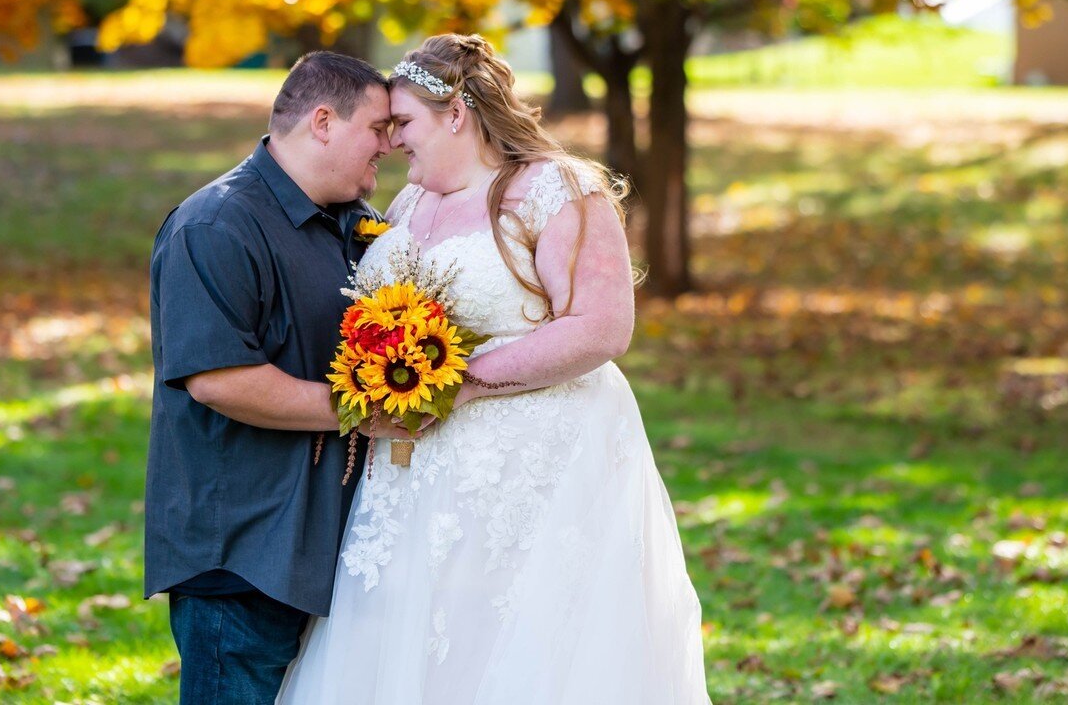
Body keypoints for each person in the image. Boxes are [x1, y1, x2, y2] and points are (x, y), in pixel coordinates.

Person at [277, 35, 711, 704]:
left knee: (518, 641)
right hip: (411, 473)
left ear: (455, 113)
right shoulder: (407, 207)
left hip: (535, 462)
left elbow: (601, 326)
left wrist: (464, 381)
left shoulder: (556, 189)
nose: (392, 142)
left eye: (404, 123)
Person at [145, 50, 410, 703]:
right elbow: (219, 379)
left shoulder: (355, 226)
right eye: (377, 129)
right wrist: (362, 410)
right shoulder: (215, 225)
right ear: (322, 121)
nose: (391, 145)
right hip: (242, 555)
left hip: (334, 548)